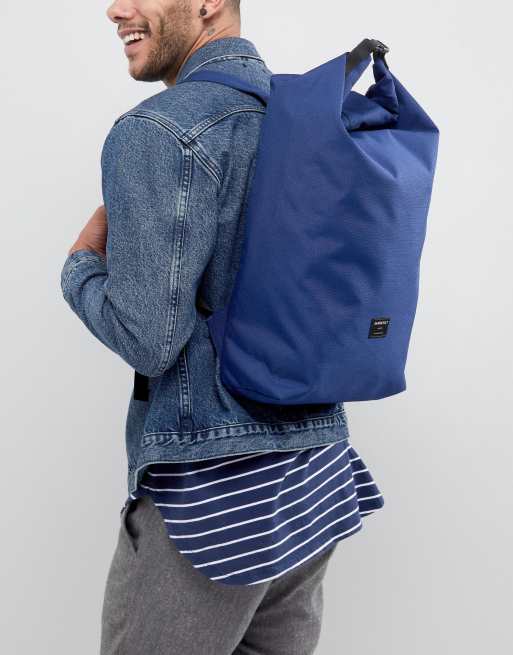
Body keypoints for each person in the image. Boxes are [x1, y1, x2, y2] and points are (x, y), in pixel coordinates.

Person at [60, 1, 385, 653]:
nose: (115, 9)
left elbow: (149, 338)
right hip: (313, 479)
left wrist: (80, 271)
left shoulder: (160, 129)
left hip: (211, 502)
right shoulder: (311, 118)